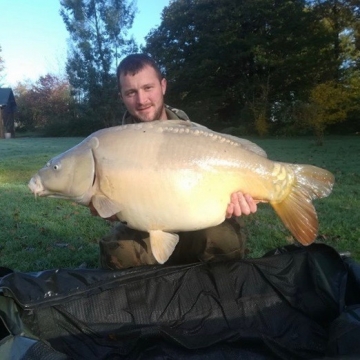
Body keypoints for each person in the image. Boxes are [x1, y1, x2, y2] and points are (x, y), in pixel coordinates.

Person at [96, 53, 257, 269]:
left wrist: (235, 202)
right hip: (145, 228)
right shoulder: (113, 146)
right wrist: (106, 207)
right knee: (116, 254)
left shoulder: (196, 135)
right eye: (131, 92)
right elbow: (111, 207)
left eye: (147, 88)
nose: (141, 100)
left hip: (200, 223)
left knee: (225, 241)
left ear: (163, 86)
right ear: (122, 96)